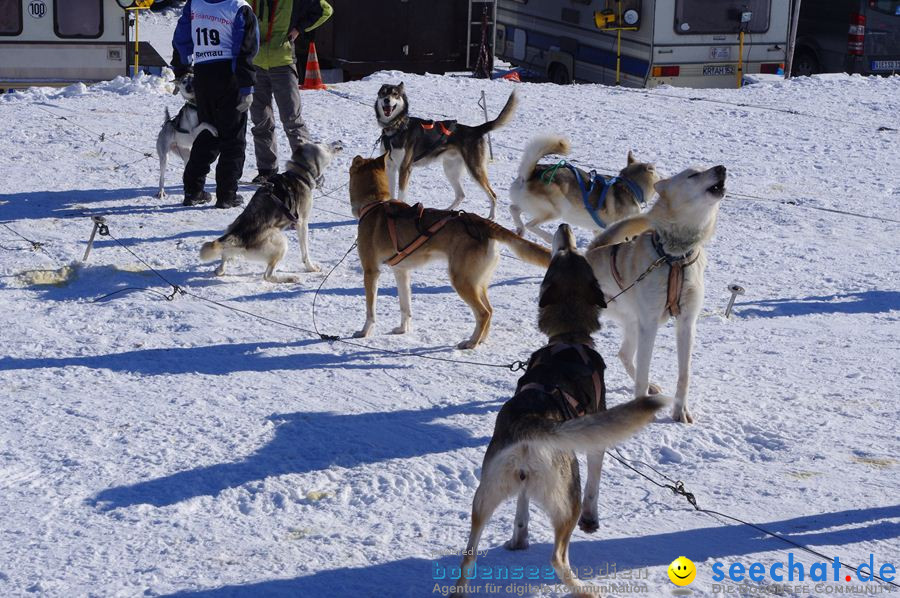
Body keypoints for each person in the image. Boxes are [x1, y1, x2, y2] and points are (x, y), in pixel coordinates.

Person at [171, 0, 260, 208]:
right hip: (230, 75)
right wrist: (247, 87)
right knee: (233, 139)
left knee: (207, 133)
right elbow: (245, 49)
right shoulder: (239, 7)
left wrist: (181, 68)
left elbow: (181, 38)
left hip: (203, 76)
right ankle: (227, 195)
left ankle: (193, 190)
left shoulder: (195, 4)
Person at [249, 0, 332, 184]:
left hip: (283, 63)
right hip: (255, 64)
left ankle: (310, 170)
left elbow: (325, 10)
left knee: (292, 120)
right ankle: (267, 170)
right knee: (260, 121)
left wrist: (299, 29)